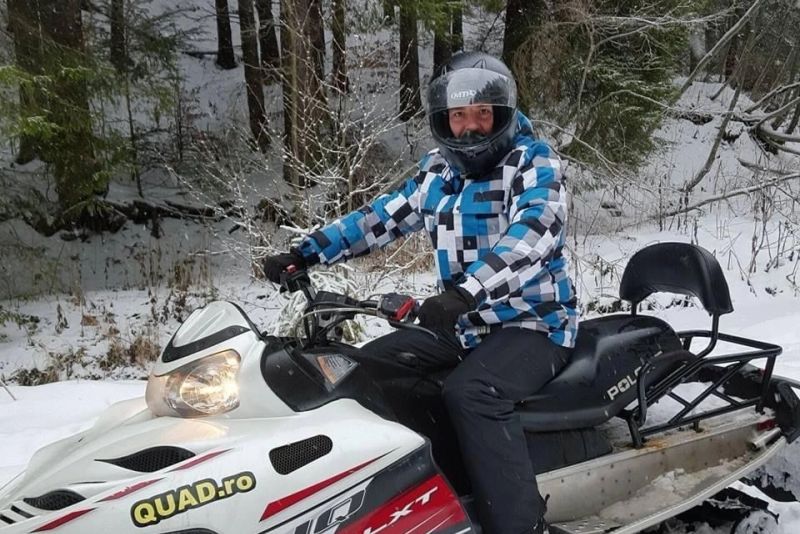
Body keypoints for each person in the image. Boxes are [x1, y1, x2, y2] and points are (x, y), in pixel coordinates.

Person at [263, 51, 578, 534]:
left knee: (473, 393)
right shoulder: (438, 172)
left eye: (482, 114)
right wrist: (306, 252)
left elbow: (533, 234)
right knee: (359, 369)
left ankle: (519, 524)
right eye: (458, 116)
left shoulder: (532, 162)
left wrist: (468, 291)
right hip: (464, 325)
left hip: (533, 322)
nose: (470, 128)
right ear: (442, 121)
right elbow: (379, 218)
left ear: (502, 114)